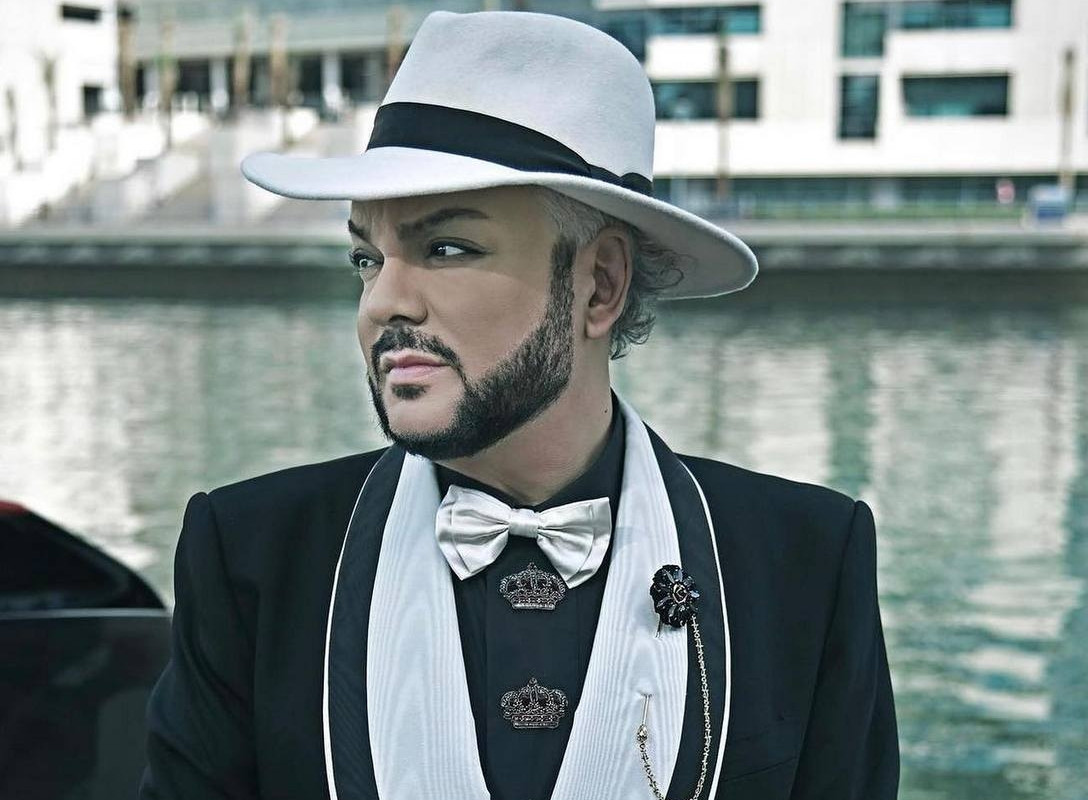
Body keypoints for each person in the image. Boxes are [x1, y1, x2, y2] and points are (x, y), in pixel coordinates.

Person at [140, 10, 898, 800]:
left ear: (600, 285)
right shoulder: (250, 554)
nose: (383, 301)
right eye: (368, 257)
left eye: (446, 249)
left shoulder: (807, 559)